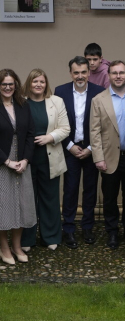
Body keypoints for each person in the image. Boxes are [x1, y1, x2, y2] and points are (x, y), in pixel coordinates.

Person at [55, 56, 105, 248]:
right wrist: (69, 145)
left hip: (92, 149)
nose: (80, 76)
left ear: (89, 72)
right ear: (70, 73)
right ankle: (68, 228)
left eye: (83, 72)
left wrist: (91, 148)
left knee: (90, 190)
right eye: (76, 72)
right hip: (70, 148)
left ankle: (87, 227)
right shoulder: (60, 92)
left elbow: (103, 124)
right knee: (70, 189)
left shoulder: (99, 92)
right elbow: (56, 122)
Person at [20, 69, 70, 252]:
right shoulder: (21, 103)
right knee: (27, 199)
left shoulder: (56, 102)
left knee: (50, 198)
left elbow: (65, 128)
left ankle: (51, 237)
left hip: (50, 156)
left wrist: (49, 137)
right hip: (26, 158)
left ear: (46, 83)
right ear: (29, 83)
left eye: (41, 81)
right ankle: (27, 239)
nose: (38, 85)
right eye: (34, 81)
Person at [90, 60, 125, 249]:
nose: (118, 76)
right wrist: (98, 157)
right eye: (114, 73)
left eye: (121, 72)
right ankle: (112, 232)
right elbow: (95, 132)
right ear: (109, 75)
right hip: (109, 157)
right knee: (110, 198)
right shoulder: (99, 100)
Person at [0, 69, 36, 265]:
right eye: (3, 84)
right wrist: (6, 161)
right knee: (3, 206)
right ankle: (4, 248)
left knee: (22, 206)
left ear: (16, 85)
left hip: (22, 163)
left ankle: (16, 246)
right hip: (2, 164)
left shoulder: (23, 105)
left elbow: (31, 133)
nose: (7, 87)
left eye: (10, 84)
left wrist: (25, 160)